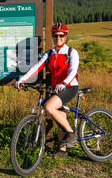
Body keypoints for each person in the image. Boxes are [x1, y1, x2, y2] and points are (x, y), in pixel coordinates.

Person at [14, 23, 79, 158]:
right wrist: (22, 80)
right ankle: (62, 150)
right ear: (52, 37)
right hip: (55, 88)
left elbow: (73, 71)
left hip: (69, 87)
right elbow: (35, 68)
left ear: (66, 36)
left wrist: (65, 83)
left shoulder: (71, 52)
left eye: (61, 35)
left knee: (49, 106)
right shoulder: (49, 53)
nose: (58, 38)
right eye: (55, 35)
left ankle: (71, 133)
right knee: (60, 115)